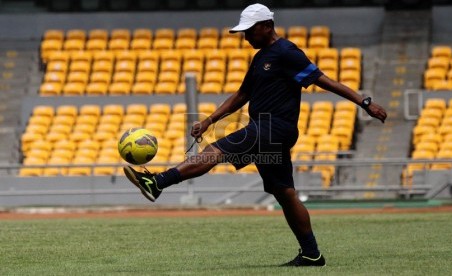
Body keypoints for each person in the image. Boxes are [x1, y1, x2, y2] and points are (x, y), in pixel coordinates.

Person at [124, 3, 387, 267]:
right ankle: (312, 254)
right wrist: (208, 120)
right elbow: (242, 95)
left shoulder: (287, 52)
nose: (246, 36)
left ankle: (158, 182)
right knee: (285, 193)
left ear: (267, 26)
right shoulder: (261, 57)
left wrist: (364, 103)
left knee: (215, 152)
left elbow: (324, 80)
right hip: (267, 130)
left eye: (249, 31)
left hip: (274, 127)